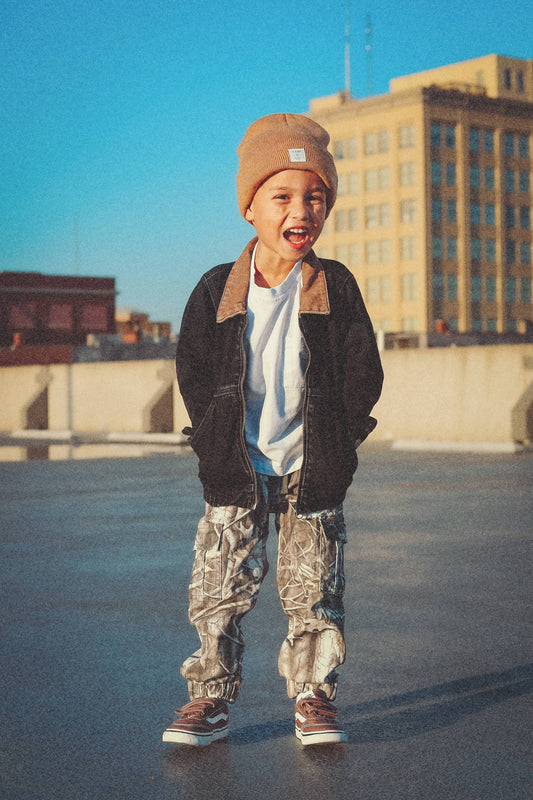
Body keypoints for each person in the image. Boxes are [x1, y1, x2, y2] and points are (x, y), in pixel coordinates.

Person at [163, 113, 383, 747]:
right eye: (283, 196)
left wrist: (341, 441)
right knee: (220, 586)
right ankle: (208, 699)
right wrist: (209, 437)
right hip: (238, 465)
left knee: (314, 587)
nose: (302, 209)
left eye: (315, 197)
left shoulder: (334, 286)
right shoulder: (216, 290)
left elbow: (361, 371)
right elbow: (195, 370)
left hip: (312, 467)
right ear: (251, 210)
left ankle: (313, 698)